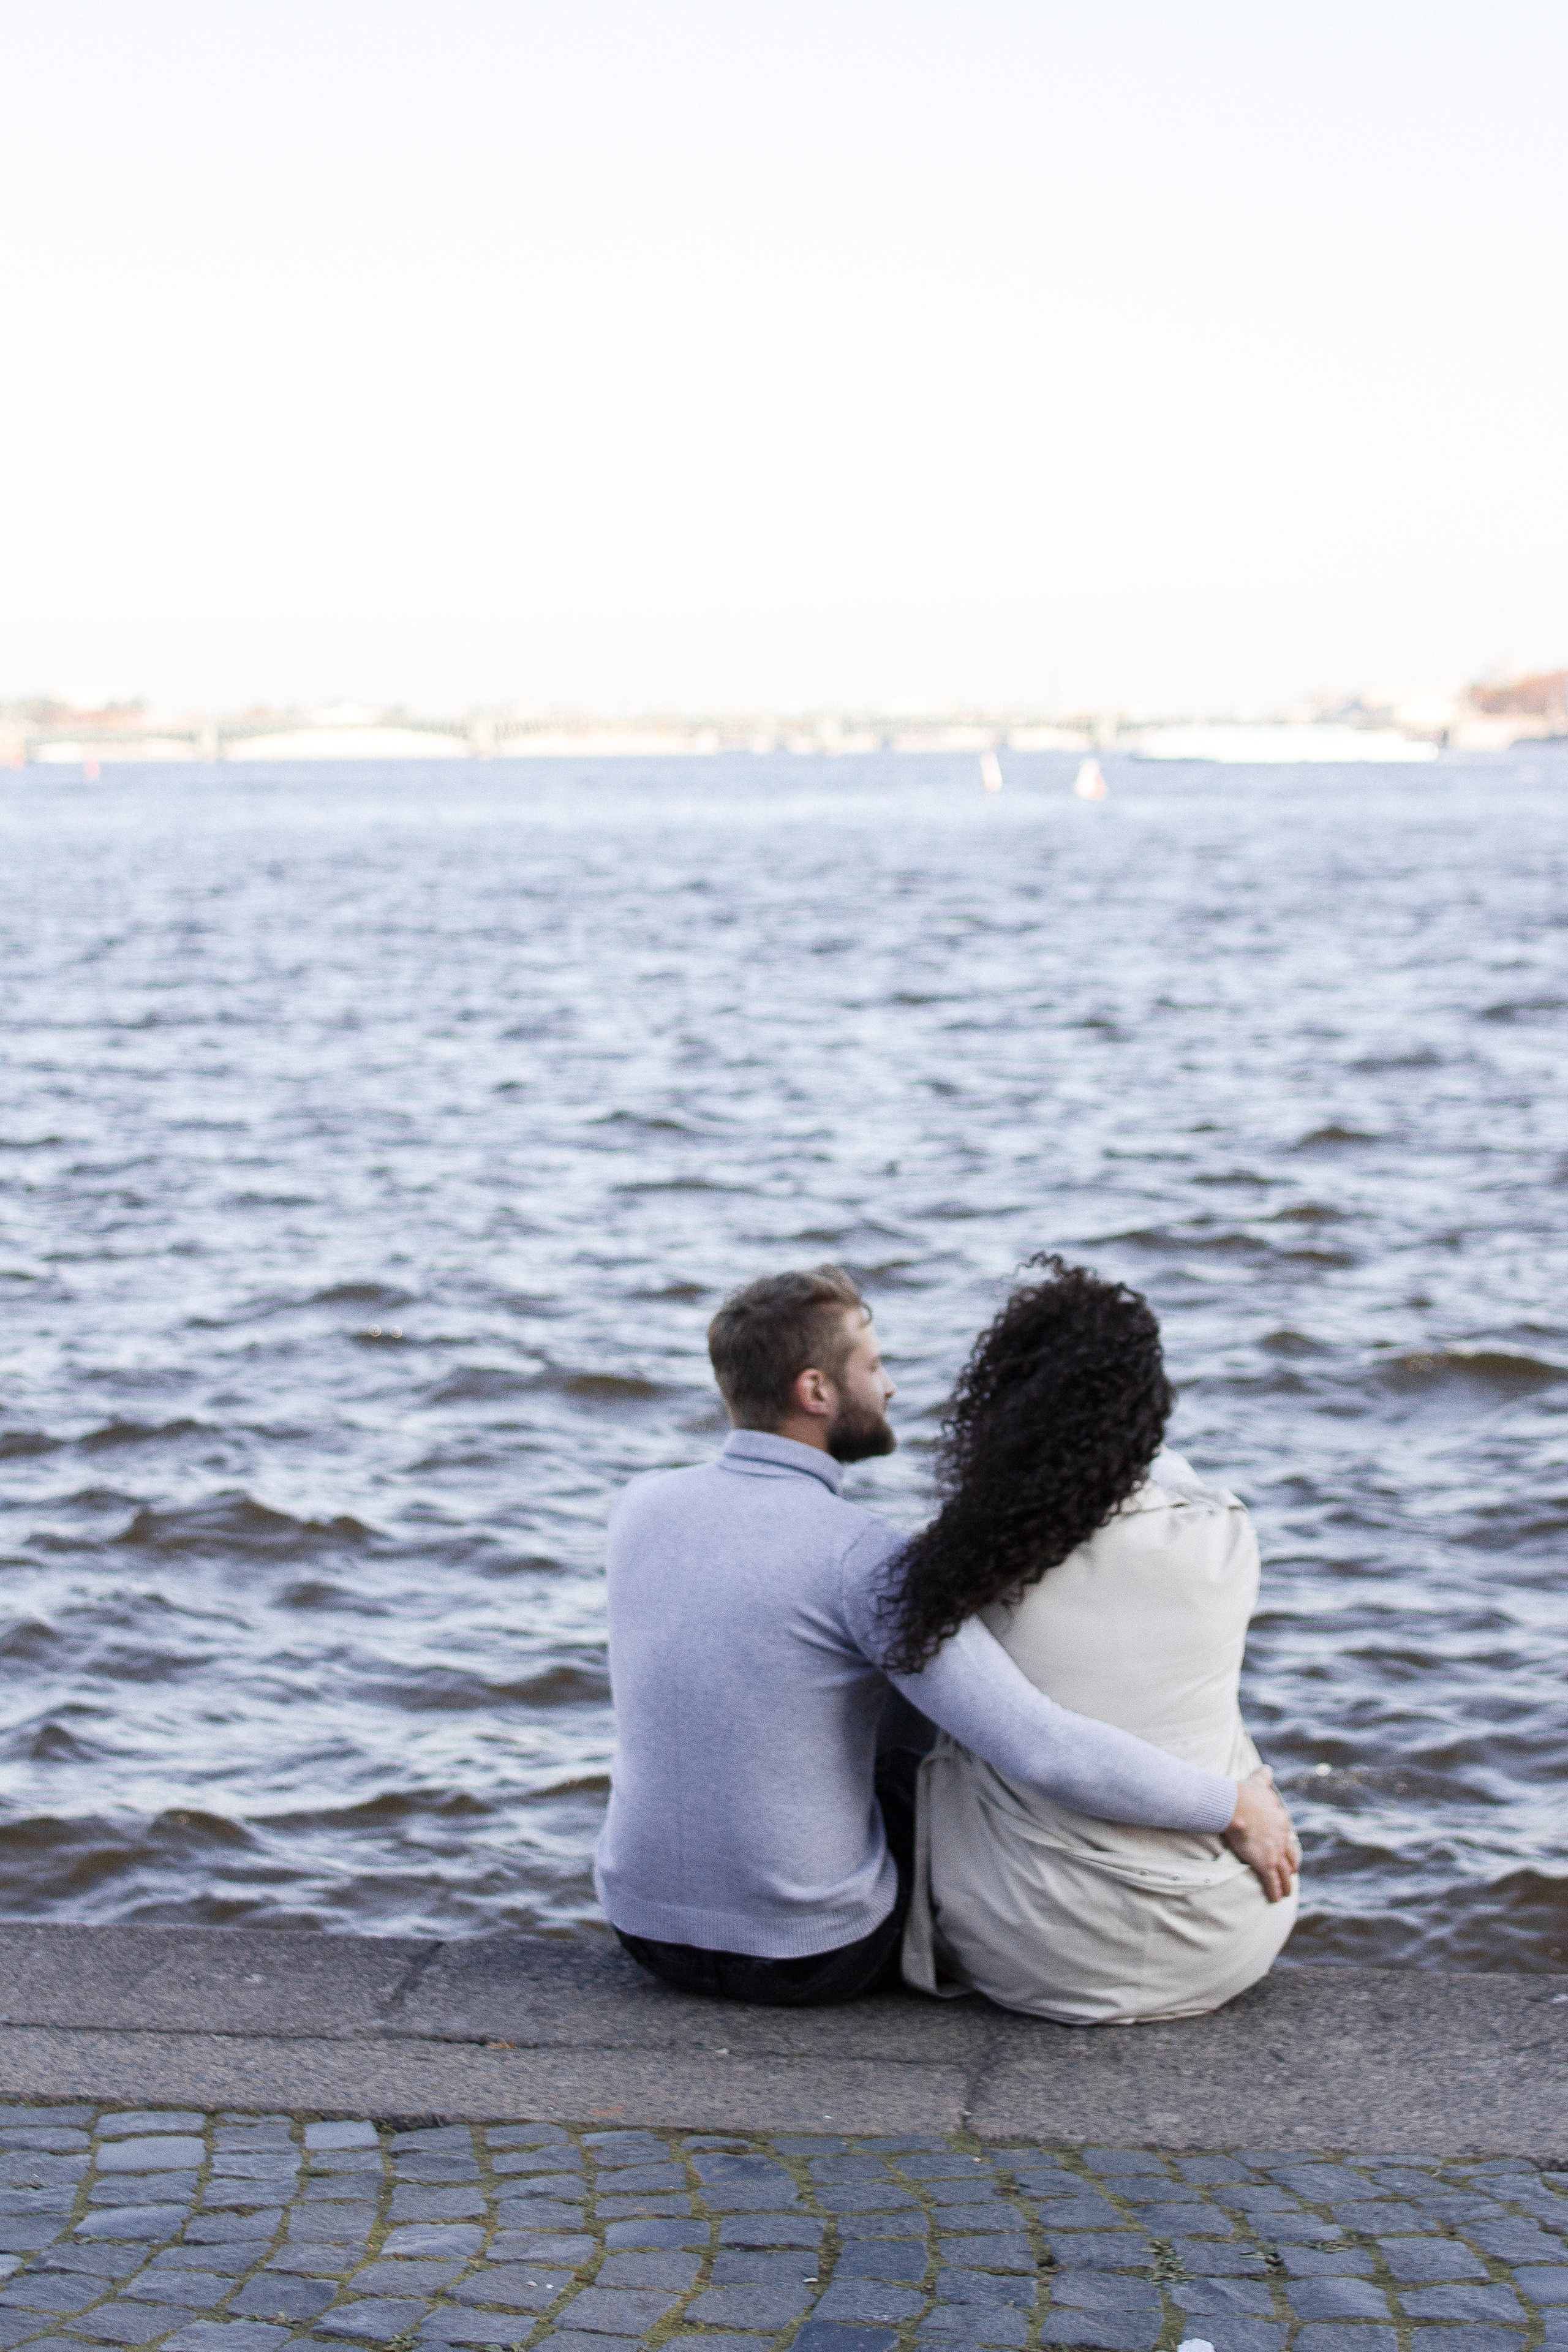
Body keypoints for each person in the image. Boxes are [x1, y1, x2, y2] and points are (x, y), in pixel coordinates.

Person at [595, 1264, 1296, 2007]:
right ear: (816, 1392)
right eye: (873, 1364)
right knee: (948, 1748)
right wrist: (1228, 1804)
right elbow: (1041, 1747)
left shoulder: (640, 1506)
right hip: (810, 1956)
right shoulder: (863, 1556)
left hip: (644, 1932)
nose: (891, 1386)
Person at [899, 1256, 1298, 2023]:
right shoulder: (1226, 1534)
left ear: (1004, 1407)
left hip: (1031, 1948)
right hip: (1232, 1929)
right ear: (1149, 1411)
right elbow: (1166, 1474)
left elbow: (1039, 1747)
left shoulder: (972, 1571)